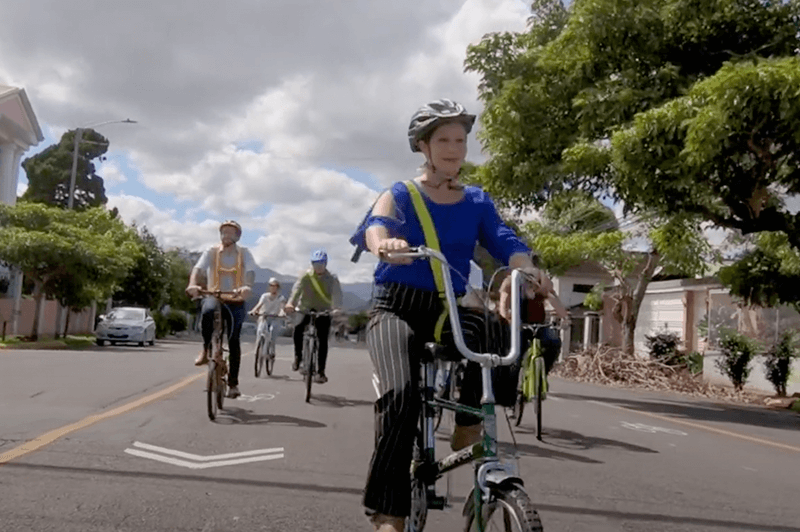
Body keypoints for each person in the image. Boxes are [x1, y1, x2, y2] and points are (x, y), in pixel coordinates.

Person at [348, 99, 554, 532]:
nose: (454, 147)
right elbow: (376, 227)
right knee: (400, 399)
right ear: (423, 145)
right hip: (396, 308)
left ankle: (468, 421)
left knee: (495, 329)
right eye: (443, 139)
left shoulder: (477, 201)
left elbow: (505, 240)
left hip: (446, 312)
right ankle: (388, 511)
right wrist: (386, 244)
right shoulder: (400, 193)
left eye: (460, 139)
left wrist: (528, 269)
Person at [185, 220, 256, 399]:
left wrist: (247, 286)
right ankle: (206, 349)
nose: (226, 235)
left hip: (236, 300)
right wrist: (193, 284)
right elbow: (198, 269)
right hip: (214, 296)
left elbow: (251, 272)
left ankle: (233, 384)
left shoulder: (244, 253)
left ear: (237, 236)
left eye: (230, 232)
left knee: (233, 340)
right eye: (223, 232)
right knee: (207, 312)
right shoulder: (212, 251)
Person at [284, 249, 343, 384]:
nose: (318, 266)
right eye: (316, 263)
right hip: (305, 308)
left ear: (326, 264)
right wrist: (290, 304)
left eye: (321, 264)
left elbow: (337, 294)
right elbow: (296, 290)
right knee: (298, 329)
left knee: (323, 340)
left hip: (323, 310)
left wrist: (337, 308)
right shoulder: (306, 275)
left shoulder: (332, 278)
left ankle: (321, 372)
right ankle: (298, 356)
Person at [249, 277, 286, 355]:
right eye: (271, 285)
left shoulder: (280, 298)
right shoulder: (264, 296)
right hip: (264, 317)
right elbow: (259, 305)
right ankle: (258, 348)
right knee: (260, 330)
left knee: (273, 330)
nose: (272, 287)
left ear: (277, 287)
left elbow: (282, 307)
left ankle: (272, 348)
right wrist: (254, 310)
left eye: (274, 286)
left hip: (275, 318)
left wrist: (282, 313)